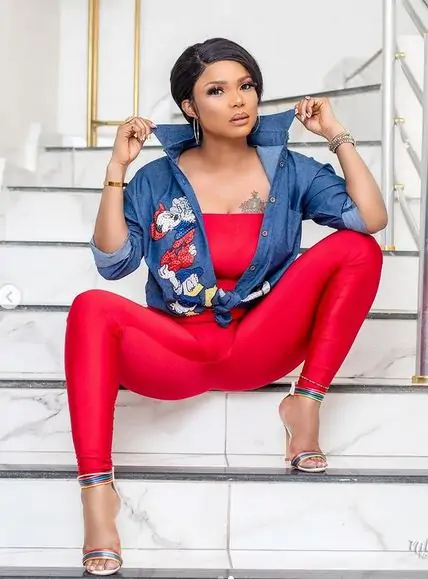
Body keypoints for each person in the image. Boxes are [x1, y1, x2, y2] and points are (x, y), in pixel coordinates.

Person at [65, 37, 387, 575]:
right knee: (90, 307)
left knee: (358, 249)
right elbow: (114, 262)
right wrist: (117, 168)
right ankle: (98, 496)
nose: (238, 100)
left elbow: (369, 217)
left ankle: (305, 403)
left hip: (260, 342)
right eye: (217, 90)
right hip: (178, 351)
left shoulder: (289, 170)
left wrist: (336, 135)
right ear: (189, 107)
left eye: (246, 86)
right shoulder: (156, 179)